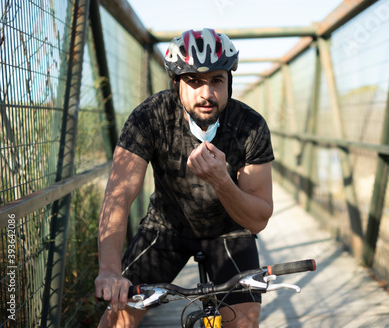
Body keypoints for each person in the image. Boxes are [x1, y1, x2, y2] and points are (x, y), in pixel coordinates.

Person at [94, 28, 274, 328]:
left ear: (230, 81)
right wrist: (110, 270)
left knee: (243, 322)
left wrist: (222, 181)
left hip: (229, 231)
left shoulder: (250, 126)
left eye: (217, 80)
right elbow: (118, 196)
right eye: (193, 81)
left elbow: (258, 219)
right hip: (166, 228)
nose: (206, 93)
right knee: (117, 319)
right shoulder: (149, 117)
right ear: (176, 83)